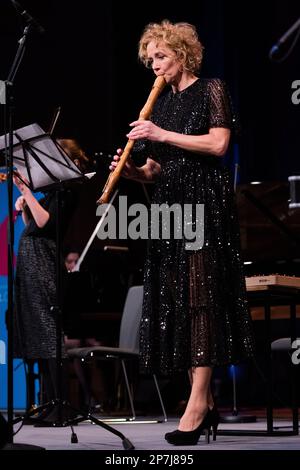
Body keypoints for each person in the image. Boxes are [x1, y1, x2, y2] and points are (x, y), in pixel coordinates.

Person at [110, 20, 255, 445]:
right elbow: (156, 169)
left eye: (161, 56)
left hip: (205, 204)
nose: (154, 65)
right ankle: (203, 401)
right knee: (177, 300)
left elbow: (217, 145)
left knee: (202, 298)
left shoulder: (211, 88)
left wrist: (160, 134)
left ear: (183, 55)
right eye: (150, 58)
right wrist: (132, 169)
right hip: (168, 207)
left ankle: (196, 405)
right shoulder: (160, 104)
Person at [13, 138, 89, 415]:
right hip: (33, 259)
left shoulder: (68, 190)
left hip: (43, 261)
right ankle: (47, 402)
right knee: (37, 334)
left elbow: (47, 224)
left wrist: (25, 190)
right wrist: (25, 206)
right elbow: (34, 226)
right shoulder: (56, 191)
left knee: (47, 331)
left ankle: (61, 404)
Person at [63, 250, 104, 411]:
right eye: (71, 261)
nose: (74, 264)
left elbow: (90, 313)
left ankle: (97, 397)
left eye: (77, 261)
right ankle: (88, 396)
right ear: (66, 264)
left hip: (82, 332)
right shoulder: (63, 282)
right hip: (66, 334)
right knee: (76, 346)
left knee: (88, 345)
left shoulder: (87, 281)